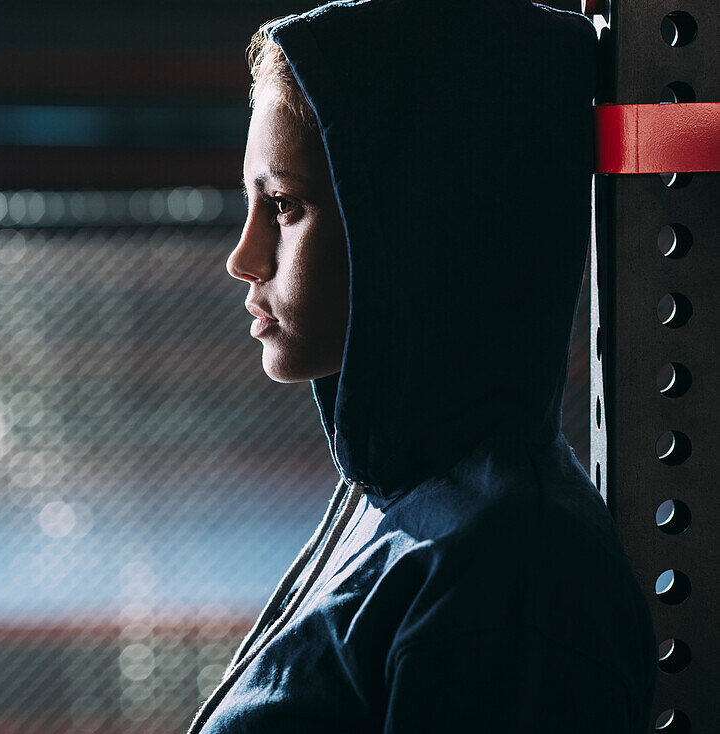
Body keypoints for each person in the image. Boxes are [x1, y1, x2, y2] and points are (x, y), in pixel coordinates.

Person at [190, 1, 657, 731]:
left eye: (282, 205)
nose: (243, 259)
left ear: (418, 220)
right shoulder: (403, 498)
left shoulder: (517, 581)